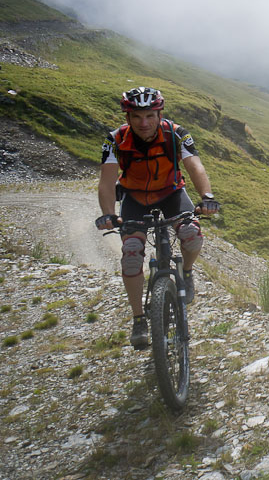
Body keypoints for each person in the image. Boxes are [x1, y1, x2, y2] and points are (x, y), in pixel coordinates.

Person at [94, 87, 220, 349]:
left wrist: (206, 196)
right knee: (131, 253)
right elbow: (106, 181)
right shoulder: (115, 140)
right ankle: (139, 318)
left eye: (150, 116)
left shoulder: (176, 133)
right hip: (135, 198)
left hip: (171, 193)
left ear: (159, 114)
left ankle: (186, 272)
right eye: (137, 116)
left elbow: (195, 165)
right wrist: (108, 214)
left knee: (191, 235)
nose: (144, 123)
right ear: (128, 117)